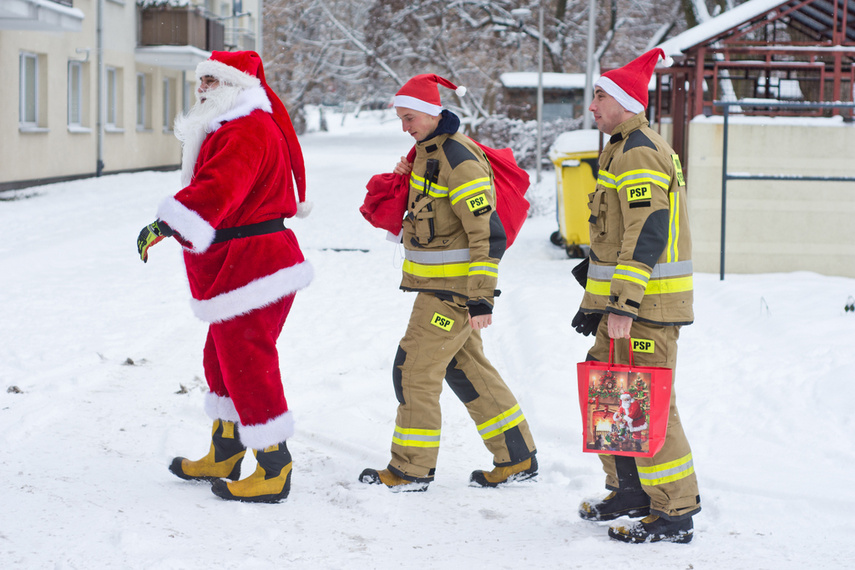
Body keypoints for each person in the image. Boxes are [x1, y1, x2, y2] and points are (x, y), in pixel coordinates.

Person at [136, 50, 313, 503]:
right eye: (202, 81)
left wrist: (166, 222)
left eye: (212, 81)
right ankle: (225, 450)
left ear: (237, 86)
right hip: (240, 264)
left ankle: (274, 466)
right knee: (222, 359)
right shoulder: (232, 126)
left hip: (255, 266)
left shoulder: (248, 128)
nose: (203, 89)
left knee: (247, 362)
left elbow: (220, 187)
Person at [359, 74, 537, 491]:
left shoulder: (458, 158)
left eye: (409, 118)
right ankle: (517, 457)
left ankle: (410, 470)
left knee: (413, 371)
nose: (405, 127)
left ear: (431, 112)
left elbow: (486, 233)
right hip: (442, 286)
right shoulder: (427, 151)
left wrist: (481, 299)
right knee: (466, 369)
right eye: (401, 120)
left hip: (453, 293)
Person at [571, 49, 700, 543]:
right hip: (625, 307)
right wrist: (595, 300)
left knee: (646, 401)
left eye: (599, 96)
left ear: (624, 102)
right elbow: (616, 235)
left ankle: (675, 511)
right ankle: (631, 490)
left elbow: (647, 232)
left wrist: (621, 304)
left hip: (647, 308)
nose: (592, 106)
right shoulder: (620, 148)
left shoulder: (639, 150)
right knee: (614, 395)